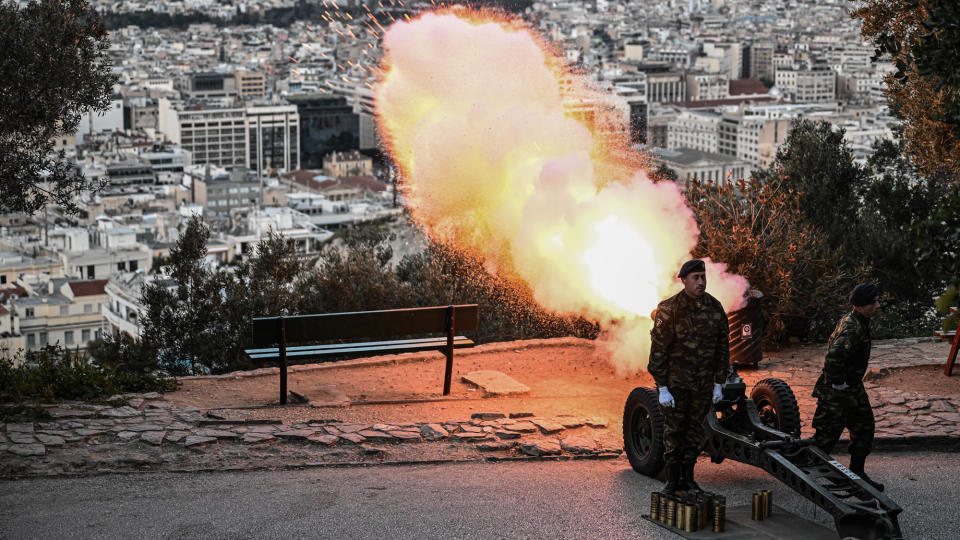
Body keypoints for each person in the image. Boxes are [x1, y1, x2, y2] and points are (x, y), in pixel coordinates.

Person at [648, 259, 729, 494]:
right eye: (696, 278)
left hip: (703, 385)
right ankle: (672, 482)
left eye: (703, 277)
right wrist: (661, 386)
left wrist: (719, 383)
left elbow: (723, 349)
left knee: (695, 433)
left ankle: (689, 479)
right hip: (677, 385)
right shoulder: (669, 309)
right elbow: (659, 351)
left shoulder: (715, 308)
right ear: (684, 280)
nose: (701, 282)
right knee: (675, 432)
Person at [811, 283, 885, 491]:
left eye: (878, 300)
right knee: (825, 438)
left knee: (864, 428)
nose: (879, 305)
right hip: (837, 390)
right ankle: (809, 472)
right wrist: (838, 383)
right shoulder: (852, 327)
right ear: (862, 305)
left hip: (852, 387)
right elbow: (833, 358)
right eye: (875, 302)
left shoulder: (861, 321)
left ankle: (857, 474)